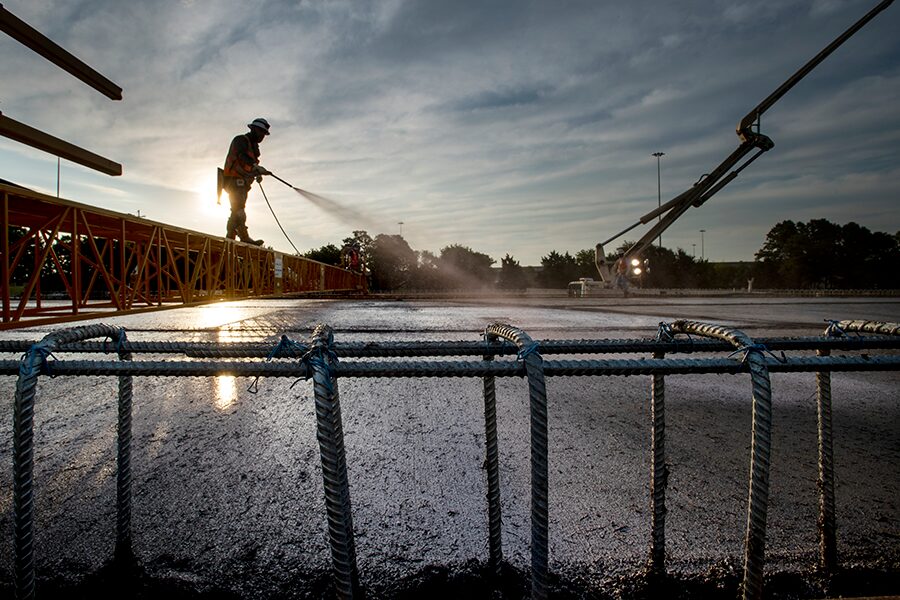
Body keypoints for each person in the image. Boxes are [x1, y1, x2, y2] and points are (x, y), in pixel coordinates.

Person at [222, 118, 271, 245]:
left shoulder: (254, 148)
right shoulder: (241, 140)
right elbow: (242, 157)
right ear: (253, 129)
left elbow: (248, 166)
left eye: (264, 134)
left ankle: (230, 238)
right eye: (261, 132)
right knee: (239, 210)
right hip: (233, 180)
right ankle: (244, 237)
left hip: (243, 183)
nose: (262, 136)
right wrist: (256, 167)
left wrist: (257, 174)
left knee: (236, 210)